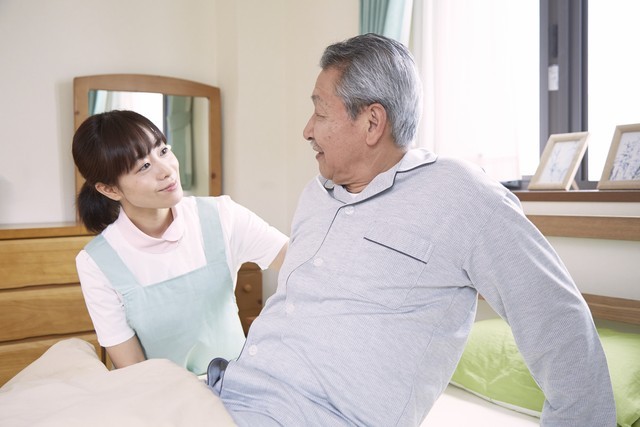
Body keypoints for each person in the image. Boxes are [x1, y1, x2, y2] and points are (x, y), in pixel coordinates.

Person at [207, 33, 616, 426]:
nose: (307, 130)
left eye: (320, 112)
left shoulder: (460, 195)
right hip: (226, 391)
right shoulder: (316, 194)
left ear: (372, 122)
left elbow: (557, 321)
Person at [72, 110, 288, 375]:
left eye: (163, 151)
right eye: (144, 167)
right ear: (110, 189)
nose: (167, 171)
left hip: (240, 385)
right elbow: (134, 369)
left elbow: (301, 265)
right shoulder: (97, 263)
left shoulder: (221, 215)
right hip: (162, 394)